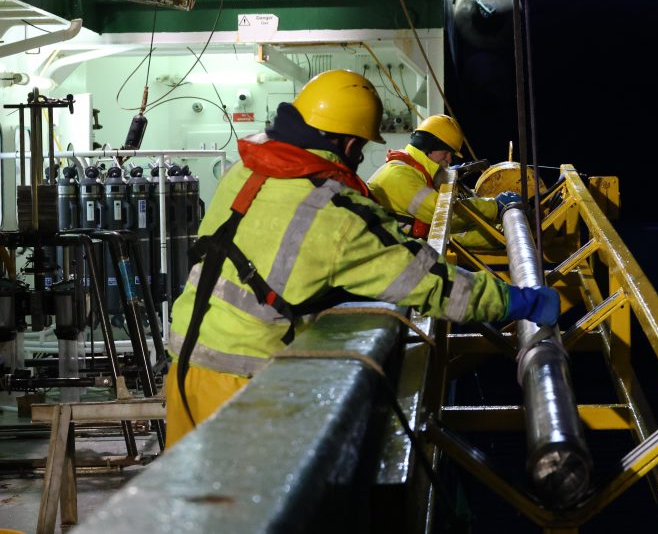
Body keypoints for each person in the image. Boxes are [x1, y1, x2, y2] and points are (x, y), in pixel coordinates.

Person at [164, 70, 559, 447]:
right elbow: (429, 283)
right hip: (244, 382)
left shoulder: (243, 170)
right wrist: (514, 300)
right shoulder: (333, 210)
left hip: (183, 366)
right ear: (351, 145)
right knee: (248, 511)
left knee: (186, 507)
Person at [367, 114, 520, 247]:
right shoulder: (399, 175)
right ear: (428, 147)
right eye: (446, 152)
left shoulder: (412, 170)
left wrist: (503, 231)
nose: (449, 159)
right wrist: (495, 206)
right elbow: (445, 215)